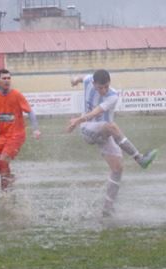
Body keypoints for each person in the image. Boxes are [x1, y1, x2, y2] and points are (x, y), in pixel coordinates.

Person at [67, 69, 159, 217]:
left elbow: (97, 111)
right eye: (99, 88)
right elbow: (81, 78)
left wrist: (77, 120)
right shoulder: (88, 80)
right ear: (93, 83)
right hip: (87, 130)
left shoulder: (113, 96)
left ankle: (107, 208)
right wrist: (74, 80)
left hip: (103, 133)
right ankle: (140, 159)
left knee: (117, 169)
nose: (103, 90)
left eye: (106, 87)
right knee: (111, 127)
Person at [0, 69, 41, 193]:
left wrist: (36, 129)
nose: (7, 81)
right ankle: (9, 178)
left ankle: (5, 193)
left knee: (3, 161)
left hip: (17, 135)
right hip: (2, 136)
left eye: (8, 78)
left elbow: (30, 112)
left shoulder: (17, 95)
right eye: (4, 78)